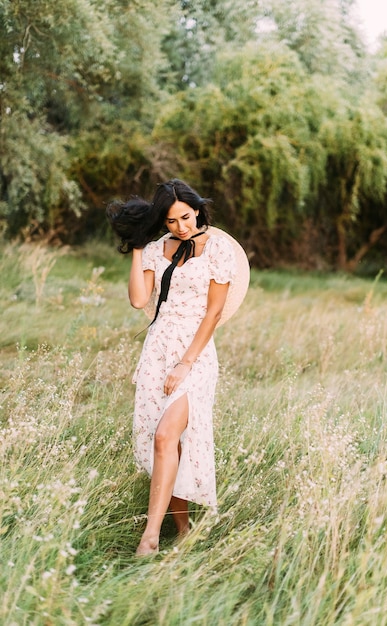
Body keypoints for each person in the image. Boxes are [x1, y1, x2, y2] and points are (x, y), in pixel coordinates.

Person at [107, 179, 239, 556]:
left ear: (197, 209)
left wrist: (185, 364)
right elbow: (138, 300)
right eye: (170, 220)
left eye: (185, 216)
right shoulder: (154, 250)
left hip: (194, 354)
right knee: (165, 441)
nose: (181, 226)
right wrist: (136, 247)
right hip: (157, 349)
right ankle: (182, 528)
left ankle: (149, 537)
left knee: (167, 436)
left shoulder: (217, 251)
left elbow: (213, 312)